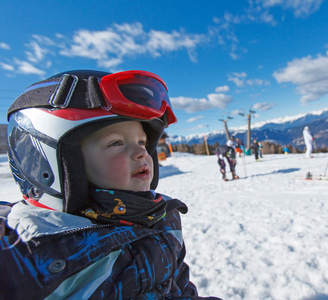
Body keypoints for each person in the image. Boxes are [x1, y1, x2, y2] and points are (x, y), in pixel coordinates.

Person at [0, 70, 221, 299]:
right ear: (51, 164)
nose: (141, 153)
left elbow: (182, 291)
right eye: (116, 143)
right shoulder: (22, 257)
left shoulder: (163, 220)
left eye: (142, 142)